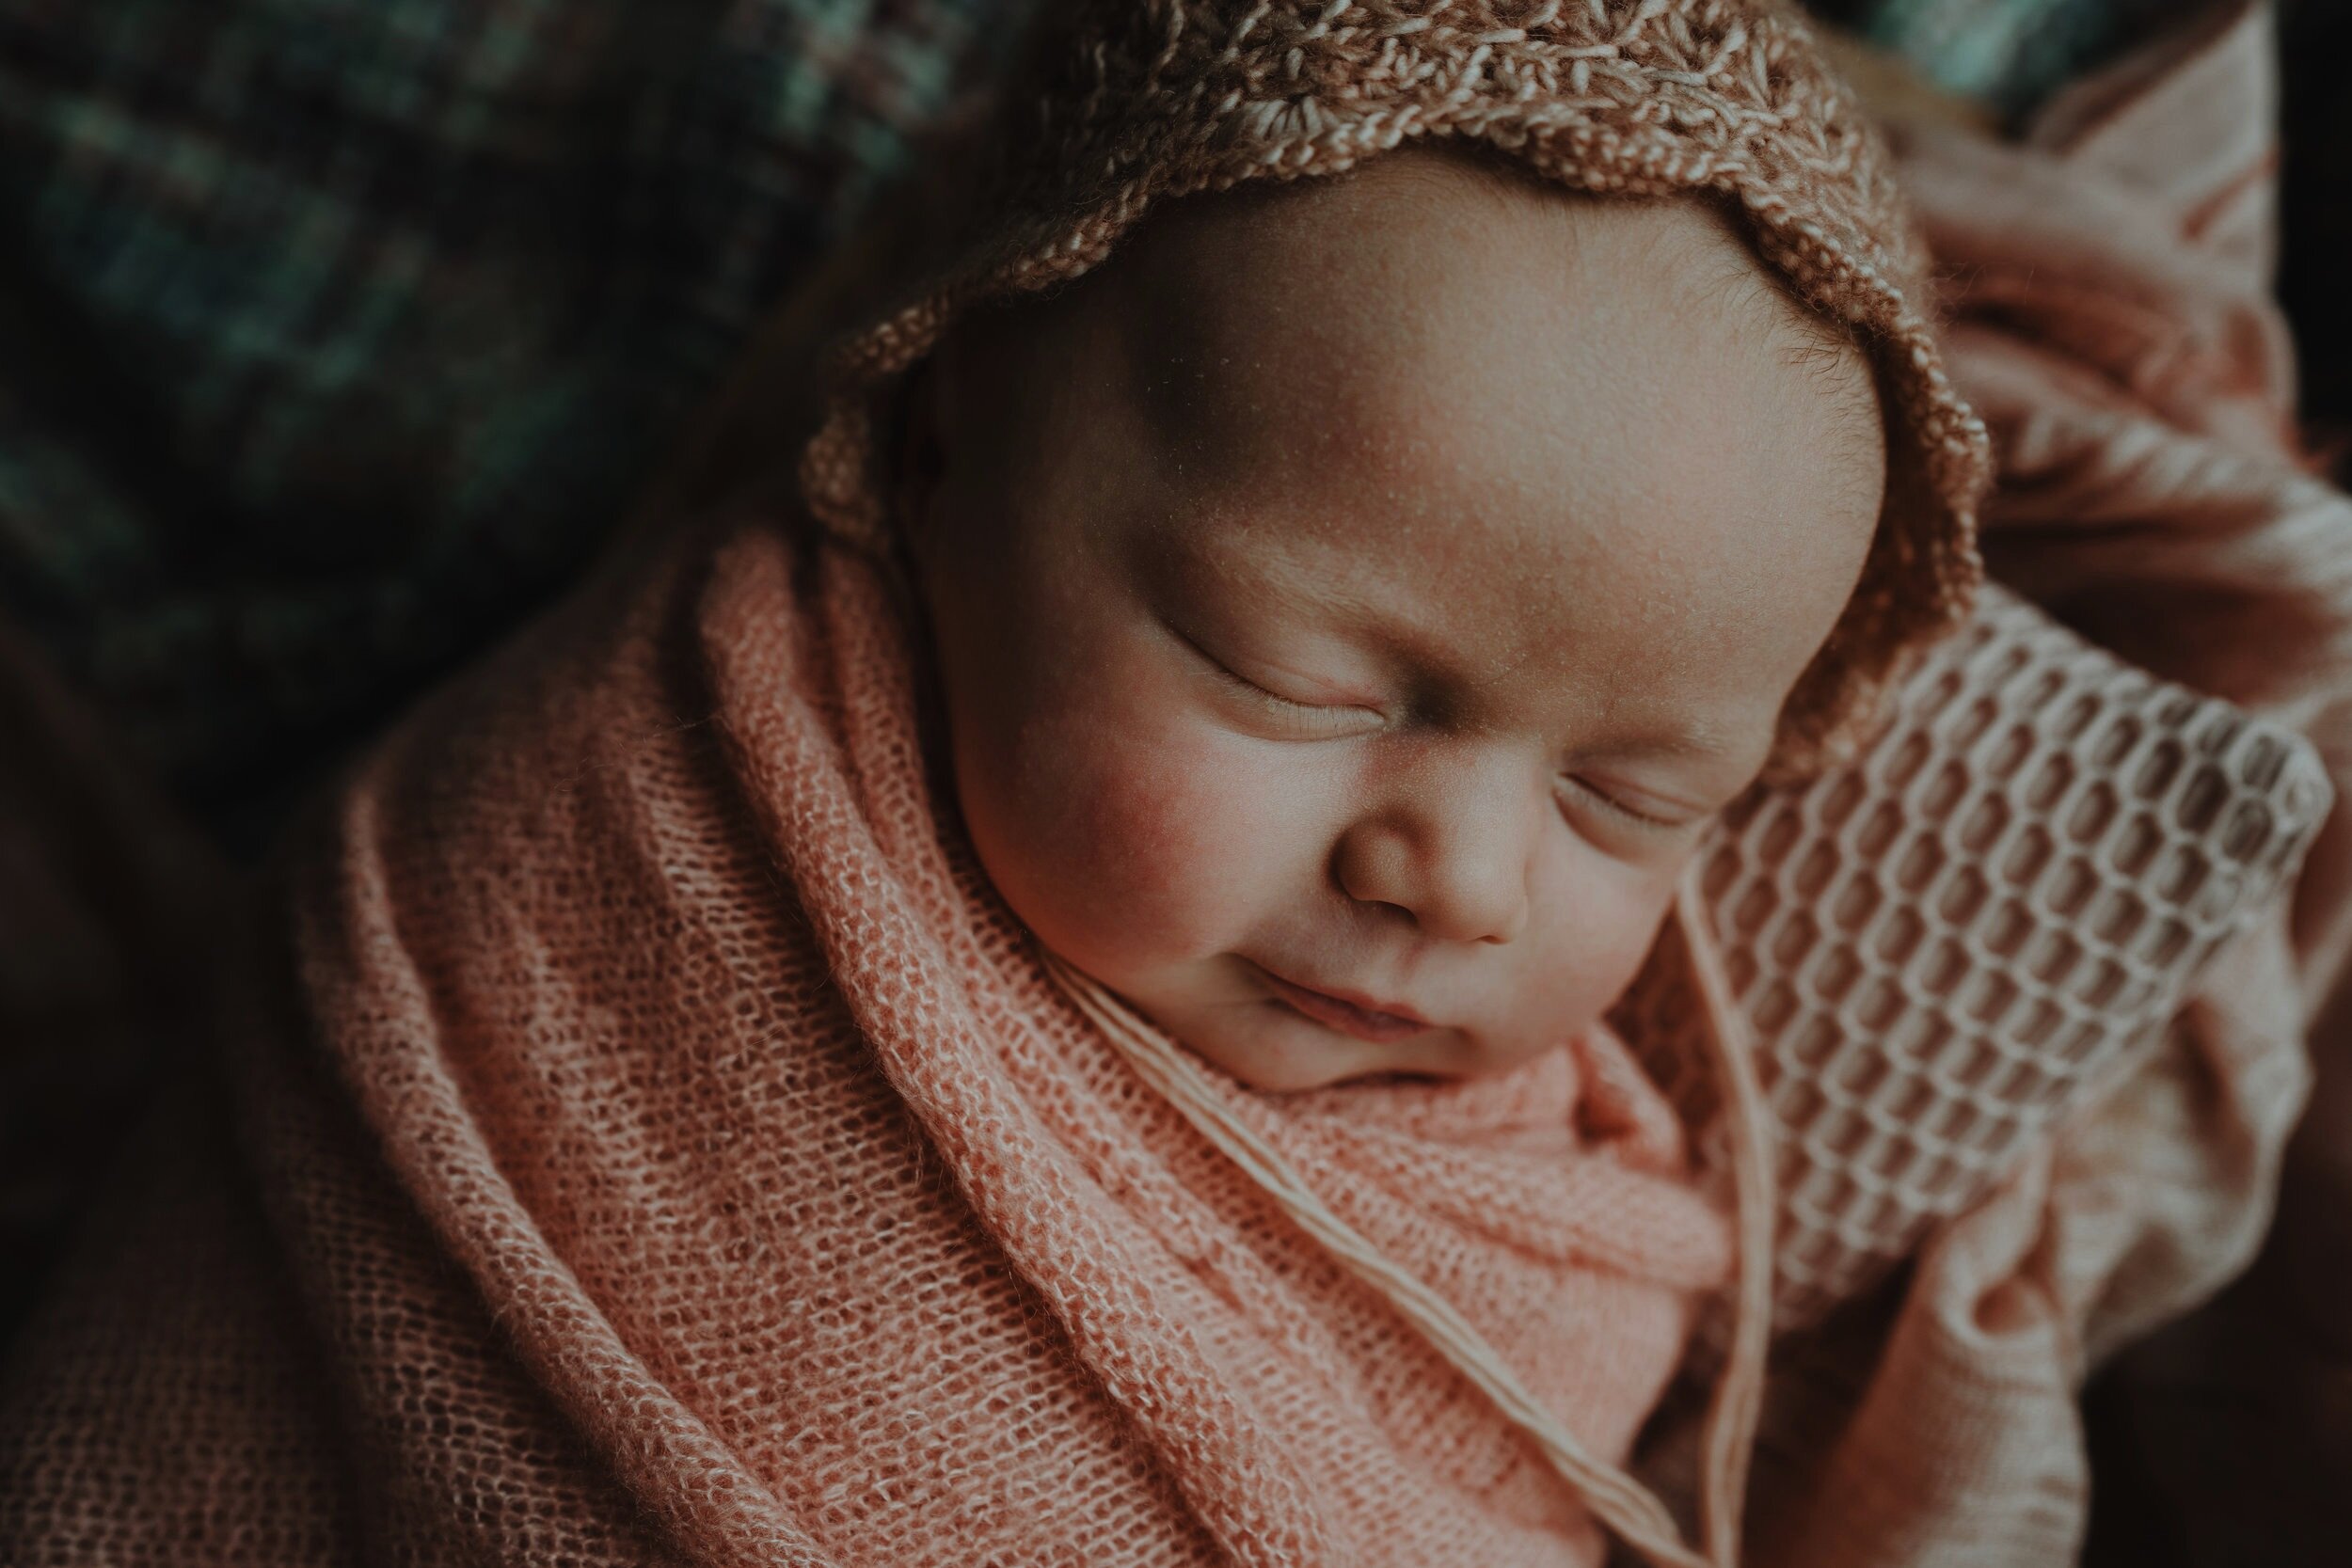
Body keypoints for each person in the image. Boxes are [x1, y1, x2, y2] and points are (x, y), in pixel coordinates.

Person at [0, 4, 1988, 1565]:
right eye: (1299, 680)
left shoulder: (1551, 1191)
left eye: (1630, 800)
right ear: (950, 452)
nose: (1457, 877)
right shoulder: (618, 839)